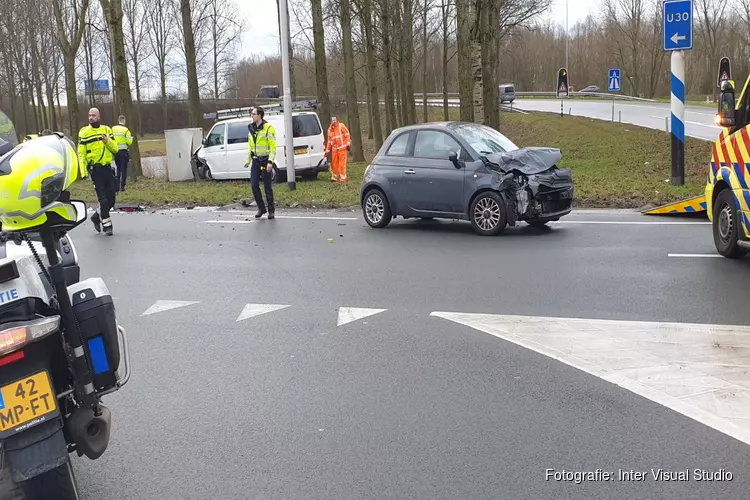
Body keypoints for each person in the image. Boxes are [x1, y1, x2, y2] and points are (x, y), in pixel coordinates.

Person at [78, 107, 119, 235]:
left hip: (107, 168)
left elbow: (116, 149)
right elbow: (81, 154)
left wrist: (108, 141)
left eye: (94, 115)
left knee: (111, 199)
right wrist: (83, 171)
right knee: (103, 200)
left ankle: (96, 216)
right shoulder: (84, 133)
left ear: (99, 117)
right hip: (95, 170)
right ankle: (107, 225)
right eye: (89, 115)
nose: (91, 118)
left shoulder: (107, 130)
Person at [244, 106, 276, 219]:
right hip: (256, 161)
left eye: (253, 114)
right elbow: (250, 146)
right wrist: (247, 160)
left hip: (265, 160)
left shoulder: (268, 129)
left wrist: (270, 162)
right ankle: (261, 209)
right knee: (254, 184)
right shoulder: (251, 129)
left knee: (267, 187)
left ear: (260, 116)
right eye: (252, 114)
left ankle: (271, 211)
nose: (252, 116)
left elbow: (273, 147)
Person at [324, 116, 351, 183]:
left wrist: (348, 144)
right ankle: (334, 177)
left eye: (335, 120)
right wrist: (327, 150)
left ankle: (343, 177)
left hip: (342, 148)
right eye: (332, 120)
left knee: (342, 164)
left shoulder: (341, 126)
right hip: (334, 150)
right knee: (334, 164)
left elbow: (347, 134)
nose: (334, 121)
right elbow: (329, 141)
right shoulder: (329, 130)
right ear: (331, 121)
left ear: (336, 120)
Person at [112, 115, 133, 192]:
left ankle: (116, 186)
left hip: (116, 151)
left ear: (118, 120)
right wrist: (131, 138)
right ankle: (122, 187)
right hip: (123, 151)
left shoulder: (113, 129)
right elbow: (129, 142)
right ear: (124, 121)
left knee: (118, 168)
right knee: (124, 169)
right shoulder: (126, 130)